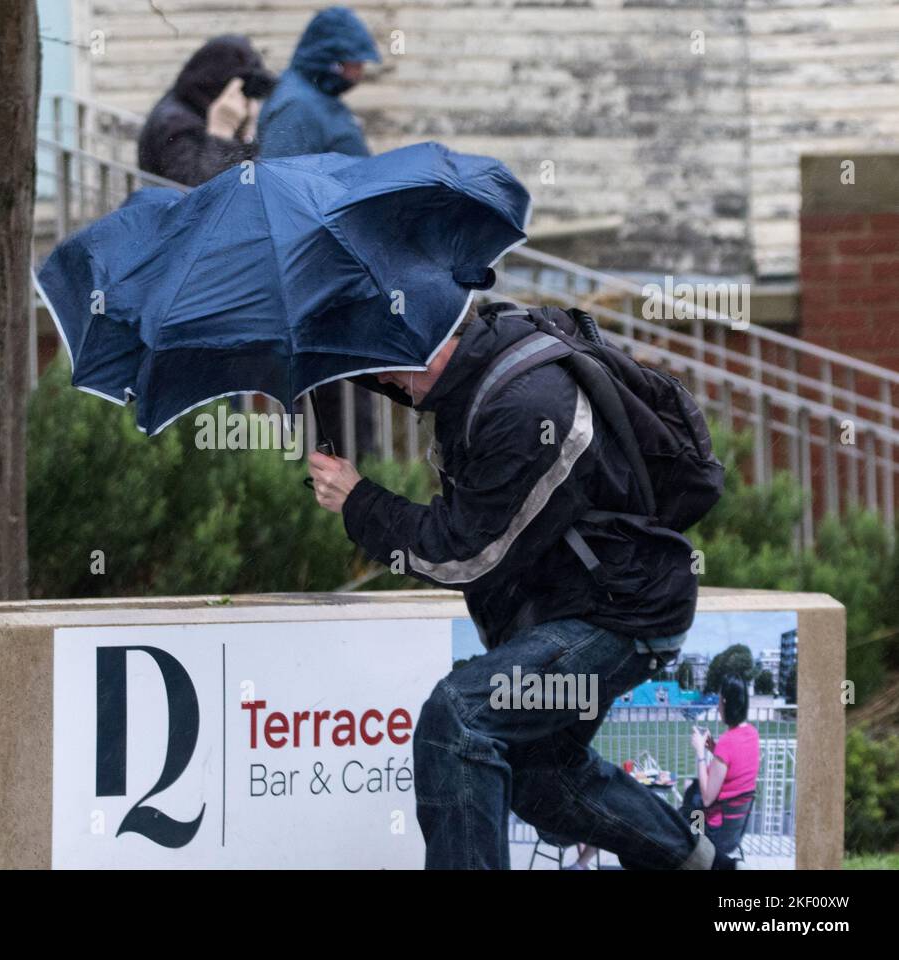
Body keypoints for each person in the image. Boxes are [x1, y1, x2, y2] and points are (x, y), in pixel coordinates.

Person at [305, 305, 734, 870]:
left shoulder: (529, 410)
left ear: (434, 341)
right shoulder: (472, 363)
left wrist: (359, 500)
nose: (382, 381)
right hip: (593, 599)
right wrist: (317, 351)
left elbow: (468, 553)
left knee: (459, 717)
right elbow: (398, 371)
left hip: (619, 616)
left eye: (388, 365)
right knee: (541, 779)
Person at [259, 6, 383, 458]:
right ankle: (330, 512)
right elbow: (282, 196)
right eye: (353, 60)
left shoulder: (316, 101)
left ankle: (343, 505)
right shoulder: (296, 106)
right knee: (337, 422)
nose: (361, 71)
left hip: (339, 280)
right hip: (319, 289)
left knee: (351, 417)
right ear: (329, 59)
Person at [136, 35, 275, 188]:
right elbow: (197, 193)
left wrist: (246, 133)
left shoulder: (191, 102)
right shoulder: (176, 123)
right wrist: (221, 133)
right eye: (242, 90)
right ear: (221, 83)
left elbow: (248, 182)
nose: (243, 99)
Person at [257, 6, 381, 158]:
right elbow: (282, 174)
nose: (360, 72)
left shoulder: (319, 93)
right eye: (355, 64)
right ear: (333, 62)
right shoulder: (296, 106)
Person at [684, 676, 761, 854]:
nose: (718, 707)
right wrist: (713, 748)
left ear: (725, 703)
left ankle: (695, 849)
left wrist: (700, 753)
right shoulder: (752, 734)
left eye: (719, 701)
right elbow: (734, 764)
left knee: (690, 793)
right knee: (692, 789)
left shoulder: (728, 742)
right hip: (734, 832)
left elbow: (707, 799)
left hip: (715, 832)